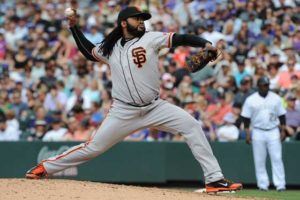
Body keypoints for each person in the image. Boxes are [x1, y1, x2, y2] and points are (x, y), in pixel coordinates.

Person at [25, 6, 242, 193]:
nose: (141, 21)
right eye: (137, 18)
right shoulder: (110, 48)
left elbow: (180, 38)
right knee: (94, 147)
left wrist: (205, 43)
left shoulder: (150, 38)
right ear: (123, 23)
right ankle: (46, 167)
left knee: (192, 126)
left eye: (142, 18)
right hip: (123, 111)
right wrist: (73, 28)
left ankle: (214, 179)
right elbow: (88, 52)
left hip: (155, 107)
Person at [241, 76, 286, 191]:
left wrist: (283, 130)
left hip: (273, 130)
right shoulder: (251, 99)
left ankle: (280, 185)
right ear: (259, 86)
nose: (266, 87)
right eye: (264, 85)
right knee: (259, 160)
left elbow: (282, 115)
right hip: (257, 131)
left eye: (267, 85)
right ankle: (262, 185)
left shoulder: (276, 98)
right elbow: (246, 119)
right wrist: (247, 133)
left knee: (277, 158)